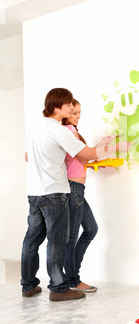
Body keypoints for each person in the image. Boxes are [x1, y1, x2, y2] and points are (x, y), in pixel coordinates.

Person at [22, 88, 130, 301]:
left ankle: (28, 285)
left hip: (35, 192)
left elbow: (28, 156)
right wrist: (118, 147)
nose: (72, 108)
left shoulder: (37, 128)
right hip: (54, 192)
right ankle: (59, 289)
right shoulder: (59, 130)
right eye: (69, 106)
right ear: (56, 108)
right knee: (57, 241)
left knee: (32, 240)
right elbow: (86, 155)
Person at [62, 99, 98, 293]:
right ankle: (73, 280)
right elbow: (82, 157)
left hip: (78, 189)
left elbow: (78, 160)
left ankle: (70, 275)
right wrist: (102, 148)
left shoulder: (73, 132)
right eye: (74, 113)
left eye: (79, 112)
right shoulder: (67, 132)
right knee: (71, 237)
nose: (78, 116)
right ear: (65, 113)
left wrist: (93, 161)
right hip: (73, 188)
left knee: (91, 229)